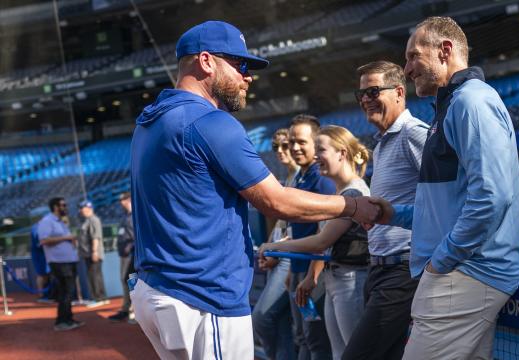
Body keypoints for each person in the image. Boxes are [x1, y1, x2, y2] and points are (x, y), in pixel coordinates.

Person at [129, 20, 379, 360]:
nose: (247, 77)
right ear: (206, 61)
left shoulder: (149, 122)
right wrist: (352, 207)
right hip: (202, 298)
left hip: (158, 290)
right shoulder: (210, 122)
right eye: (239, 65)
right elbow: (276, 201)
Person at [370, 17, 519, 359]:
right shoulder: (452, 106)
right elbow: (442, 210)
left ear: (445, 50)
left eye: (413, 56)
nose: (407, 69)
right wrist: (391, 213)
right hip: (464, 271)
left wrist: (441, 262)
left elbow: (492, 197)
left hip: (466, 271)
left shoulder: (472, 101)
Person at [341, 61, 429, 360]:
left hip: (402, 272)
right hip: (378, 269)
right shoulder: (382, 144)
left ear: (399, 92)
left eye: (373, 91)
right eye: (361, 93)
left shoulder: (414, 134)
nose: (365, 99)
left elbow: (446, 201)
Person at [259, 125, 371, 360]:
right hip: (336, 280)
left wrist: (275, 247)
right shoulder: (340, 193)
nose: (316, 156)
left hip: (351, 281)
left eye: (321, 149)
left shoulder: (353, 194)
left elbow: (322, 241)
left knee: (352, 353)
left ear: (342, 153)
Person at [285, 114, 334, 360]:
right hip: (297, 270)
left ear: (316, 143)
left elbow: (324, 233)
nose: (294, 147)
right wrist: (291, 272)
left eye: (301, 142)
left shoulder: (322, 179)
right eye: (291, 141)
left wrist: (311, 275)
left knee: (316, 341)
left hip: (314, 275)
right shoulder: (299, 177)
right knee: (302, 337)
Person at [252, 129, 298, 360]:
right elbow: (281, 223)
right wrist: (267, 245)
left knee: (261, 318)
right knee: (280, 324)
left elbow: (304, 228)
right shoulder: (287, 178)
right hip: (279, 255)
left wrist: (274, 248)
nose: (280, 151)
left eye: (285, 145)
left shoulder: (303, 176)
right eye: (275, 147)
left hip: (292, 257)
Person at [37, 197, 84, 331]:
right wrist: (67, 238)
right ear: (55, 207)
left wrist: (71, 241)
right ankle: (61, 321)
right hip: (59, 262)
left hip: (69, 261)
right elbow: (43, 240)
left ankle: (68, 318)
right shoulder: (47, 221)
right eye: (63, 205)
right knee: (65, 292)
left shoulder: (62, 222)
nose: (66, 207)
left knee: (69, 292)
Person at [108, 192, 136, 323]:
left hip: (132, 255)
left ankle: (134, 310)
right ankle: (127, 308)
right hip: (125, 254)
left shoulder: (136, 214)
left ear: (129, 199)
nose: (121, 202)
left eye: (123, 199)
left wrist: (131, 247)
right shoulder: (126, 215)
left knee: (131, 281)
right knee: (126, 280)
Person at [78, 200, 108, 307]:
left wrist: (95, 252)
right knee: (95, 275)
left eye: (82, 208)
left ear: (88, 208)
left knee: (94, 276)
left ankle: (98, 298)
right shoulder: (87, 220)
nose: (81, 211)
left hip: (93, 253)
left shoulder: (93, 220)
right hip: (88, 253)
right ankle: (101, 297)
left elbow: (96, 237)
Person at [30, 208, 55, 303]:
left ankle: (48, 294)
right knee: (41, 275)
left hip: (46, 254)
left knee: (47, 274)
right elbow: (40, 242)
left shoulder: (45, 226)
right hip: (39, 255)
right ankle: (41, 295)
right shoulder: (36, 227)